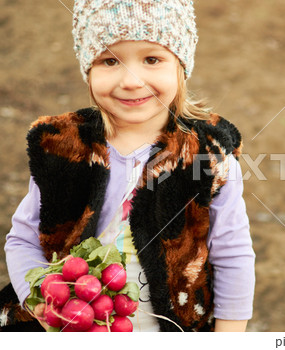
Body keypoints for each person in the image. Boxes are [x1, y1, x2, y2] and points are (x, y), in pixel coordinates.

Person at [0, 0, 255, 332]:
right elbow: (23, 239)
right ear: (88, 69)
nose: (132, 80)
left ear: (180, 65)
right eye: (109, 60)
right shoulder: (65, 149)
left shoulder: (207, 156)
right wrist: (42, 302)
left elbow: (233, 258)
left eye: (152, 59)